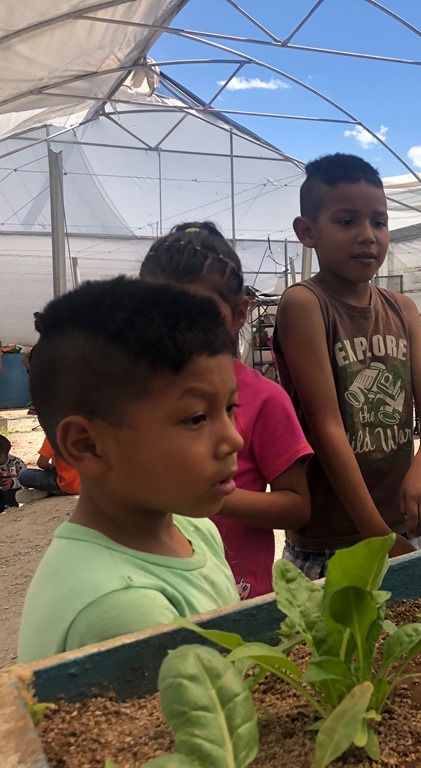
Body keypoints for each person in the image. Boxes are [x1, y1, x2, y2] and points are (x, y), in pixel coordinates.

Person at [17, 278, 241, 662]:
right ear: (87, 446)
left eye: (230, 409)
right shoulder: (124, 611)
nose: (233, 440)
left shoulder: (193, 528)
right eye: (196, 417)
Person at [272, 152, 421, 575]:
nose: (368, 236)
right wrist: (377, 538)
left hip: (398, 527)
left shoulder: (403, 309)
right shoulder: (305, 304)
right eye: (347, 221)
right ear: (307, 231)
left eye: (379, 222)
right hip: (332, 543)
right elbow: (326, 425)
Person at [140, 221, 312, 600]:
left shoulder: (264, 399)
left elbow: (297, 506)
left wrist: (211, 494)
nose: (181, 331)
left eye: (202, 315)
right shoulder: (134, 394)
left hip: (237, 599)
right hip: (150, 592)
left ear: (239, 314)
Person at [16, 436, 80, 503]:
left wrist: (50, 466)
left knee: (23, 474)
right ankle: (49, 491)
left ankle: (48, 492)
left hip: (71, 485)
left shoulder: (54, 433)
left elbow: (42, 463)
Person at [0, 435, 27, 511]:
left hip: (10, 494)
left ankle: (10, 510)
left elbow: (26, 480)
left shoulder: (16, 463)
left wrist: (13, 482)